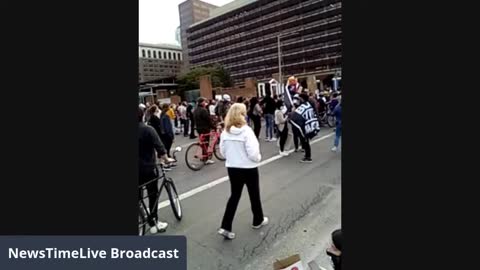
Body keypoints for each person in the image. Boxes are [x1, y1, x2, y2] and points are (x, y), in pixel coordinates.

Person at [218, 103, 268, 240]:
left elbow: (222, 152)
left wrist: (232, 158)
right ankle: (257, 219)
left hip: (233, 168)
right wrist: (257, 159)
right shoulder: (246, 131)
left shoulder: (225, 132)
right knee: (254, 194)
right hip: (249, 168)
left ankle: (225, 225)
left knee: (234, 196)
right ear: (242, 114)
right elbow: (253, 152)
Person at [138, 106, 174, 234]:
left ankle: (141, 217)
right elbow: (160, 147)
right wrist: (166, 158)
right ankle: (154, 222)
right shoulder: (148, 129)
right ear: (142, 116)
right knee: (153, 194)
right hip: (147, 168)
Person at [290, 93, 320, 163]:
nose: (298, 100)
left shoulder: (303, 106)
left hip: (305, 126)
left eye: (299, 99)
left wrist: (291, 114)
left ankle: (308, 157)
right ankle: (307, 155)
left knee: (306, 141)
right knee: (306, 142)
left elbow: (295, 116)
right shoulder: (308, 105)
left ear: (302, 99)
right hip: (308, 125)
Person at [193, 97, 216, 165]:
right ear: (201, 102)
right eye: (204, 101)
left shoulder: (195, 110)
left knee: (203, 143)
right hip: (205, 128)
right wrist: (213, 127)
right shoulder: (203, 110)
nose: (205, 103)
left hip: (199, 128)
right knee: (206, 143)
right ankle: (206, 159)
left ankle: (203, 157)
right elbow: (208, 120)